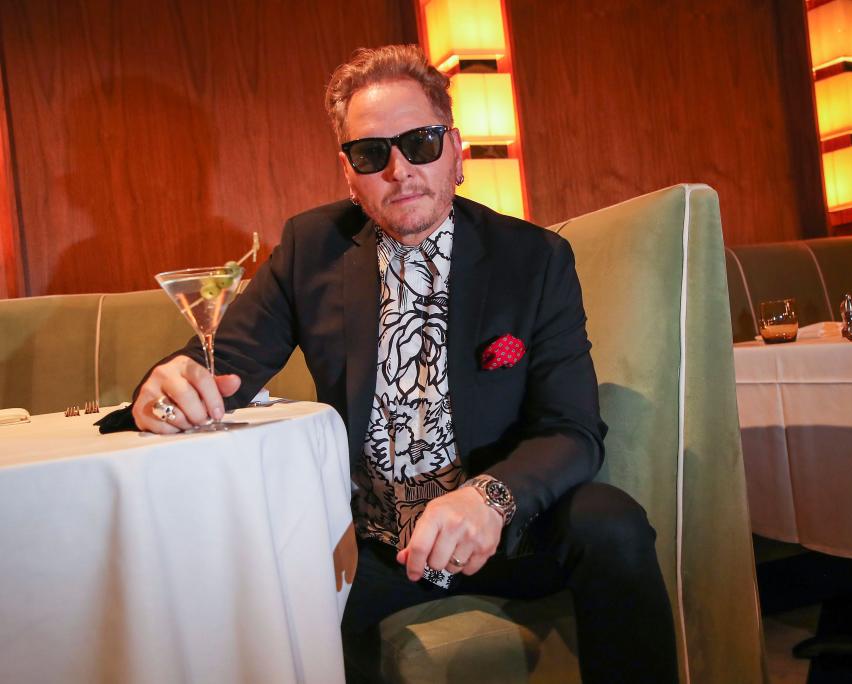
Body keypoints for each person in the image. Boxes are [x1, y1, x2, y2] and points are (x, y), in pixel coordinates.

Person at [128, 44, 678, 683]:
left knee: (611, 522)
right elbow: (225, 361)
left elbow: (573, 430)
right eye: (371, 153)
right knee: (238, 600)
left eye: (420, 142)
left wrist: (491, 498)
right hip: (374, 551)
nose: (399, 170)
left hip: (507, 535)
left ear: (457, 151)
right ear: (348, 173)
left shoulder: (534, 260)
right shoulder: (311, 248)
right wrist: (168, 386)